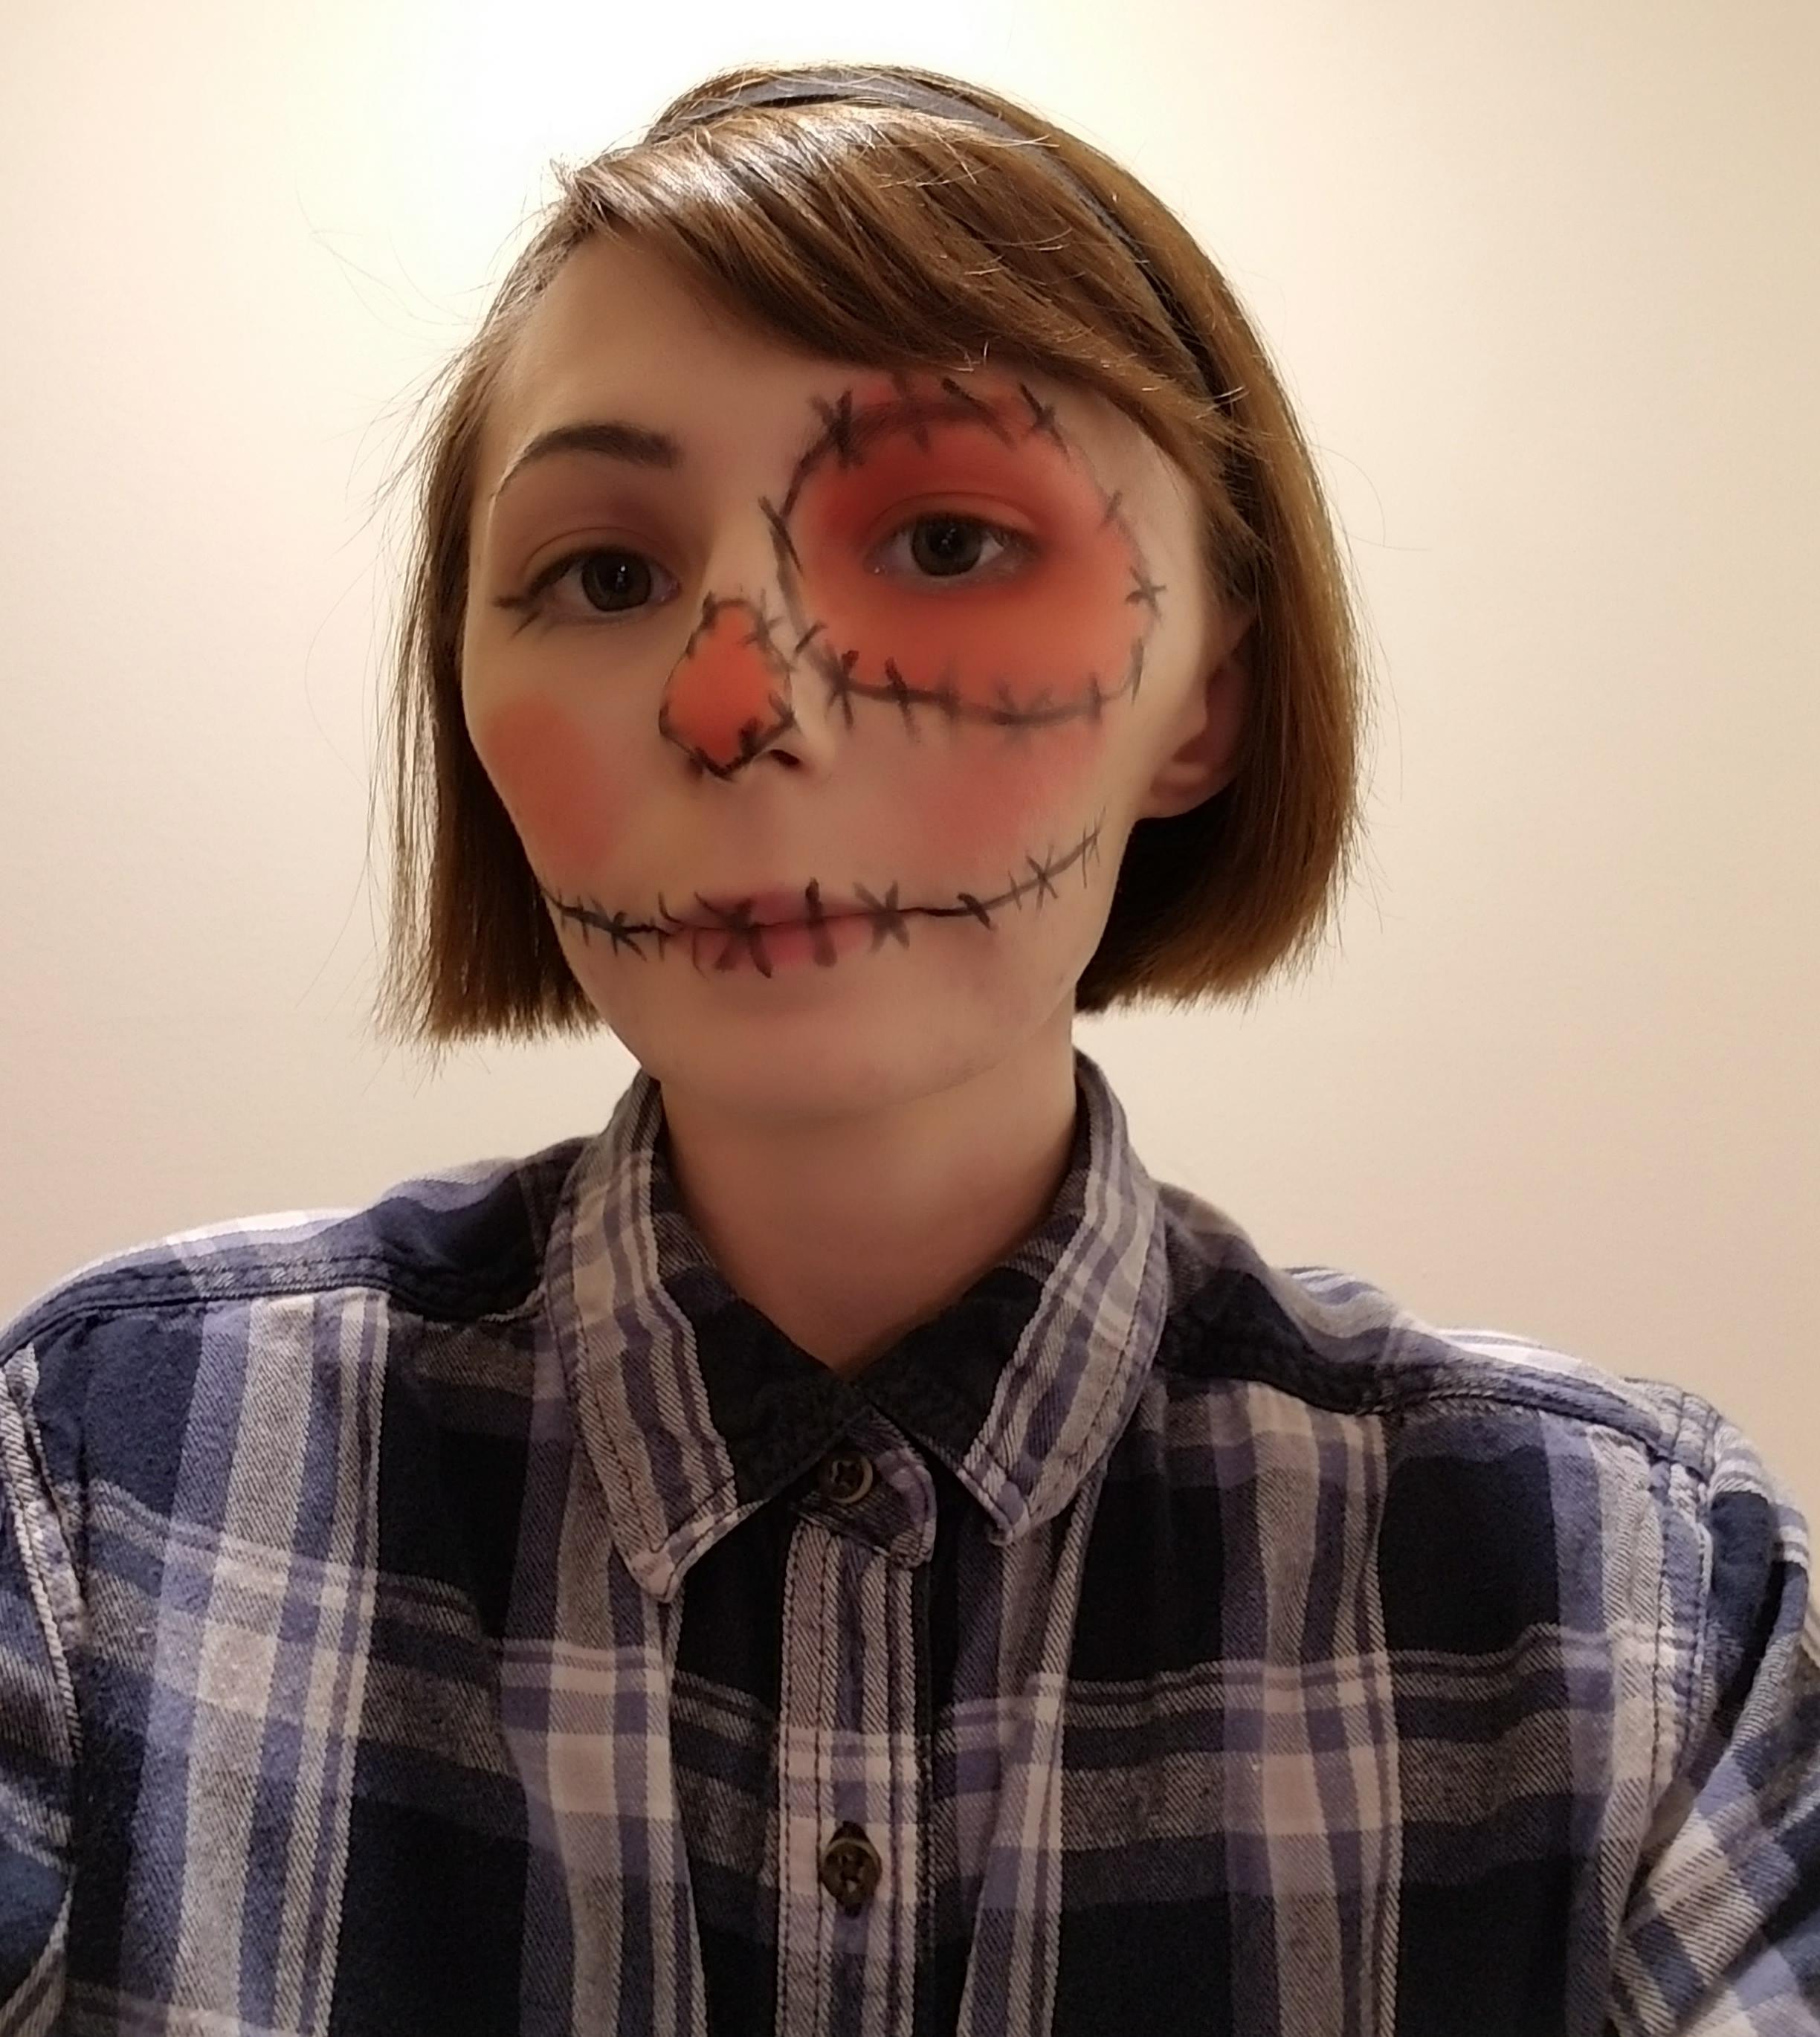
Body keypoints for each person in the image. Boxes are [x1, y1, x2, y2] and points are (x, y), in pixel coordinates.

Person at [0, 59, 1813, 2037]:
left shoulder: (1634, 1609)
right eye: (604, 575)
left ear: (1207, 694)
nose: (734, 701)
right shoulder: (108, 1486)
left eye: (947, 543)